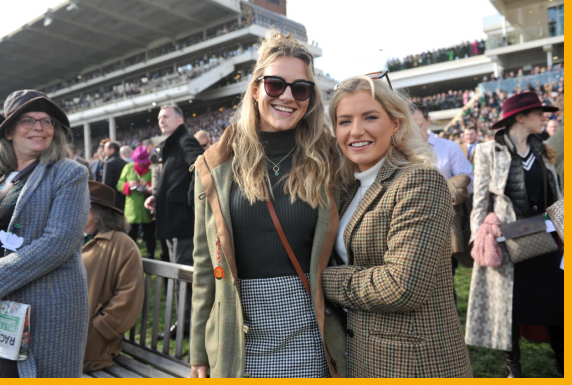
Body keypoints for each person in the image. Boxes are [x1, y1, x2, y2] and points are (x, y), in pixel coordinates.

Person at [189, 31, 344, 378]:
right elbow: (204, 266)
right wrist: (198, 351)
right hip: (238, 335)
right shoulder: (216, 164)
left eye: (301, 88)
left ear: (310, 98)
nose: (288, 96)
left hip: (308, 331)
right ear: (256, 89)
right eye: (275, 84)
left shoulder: (328, 159)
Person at [322, 76, 473, 377]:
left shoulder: (420, 180)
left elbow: (402, 287)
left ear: (395, 124)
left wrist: (321, 281)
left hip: (415, 364)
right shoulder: (349, 187)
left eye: (370, 117)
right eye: (344, 121)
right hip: (364, 358)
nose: (356, 131)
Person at [0, 89, 89, 378]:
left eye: (47, 121)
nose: (39, 127)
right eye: (28, 120)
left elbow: (58, 243)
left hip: (44, 307)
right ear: (8, 131)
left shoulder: (69, 173)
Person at [466, 91, 563, 377]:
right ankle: (514, 370)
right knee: (510, 309)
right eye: (538, 113)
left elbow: (555, 197)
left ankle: (563, 365)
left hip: (545, 239)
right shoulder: (487, 151)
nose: (545, 117)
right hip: (506, 243)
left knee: (555, 305)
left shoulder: (544, 150)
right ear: (520, 118)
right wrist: (478, 240)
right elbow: (480, 201)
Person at [82, 181, 144, 374]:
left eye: (82, 208)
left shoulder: (123, 245)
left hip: (92, 346)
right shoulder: (74, 237)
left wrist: (99, 328)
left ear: (98, 214)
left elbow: (128, 296)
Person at [147, 104, 205, 272]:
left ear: (179, 120)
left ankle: (187, 300)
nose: (161, 121)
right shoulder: (169, 145)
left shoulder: (185, 140)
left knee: (183, 273)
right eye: (159, 118)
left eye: (165, 117)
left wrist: (190, 200)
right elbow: (174, 179)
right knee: (176, 271)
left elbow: (202, 168)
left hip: (182, 219)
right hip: (172, 218)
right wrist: (157, 197)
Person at [117, 144, 155, 257]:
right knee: (130, 236)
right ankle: (130, 258)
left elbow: (157, 186)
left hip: (147, 209)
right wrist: (128, 185)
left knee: (149, 236)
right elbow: (119, 184)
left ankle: (151, 258)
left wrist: (148, 186)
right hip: (132, 209)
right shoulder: (128, 168)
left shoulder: (152, 168)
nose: (141, 163)